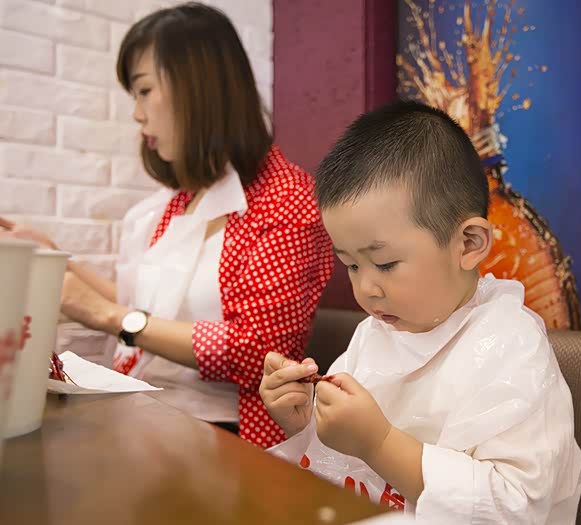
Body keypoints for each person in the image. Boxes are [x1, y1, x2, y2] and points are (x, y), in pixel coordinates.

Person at [0, 2, 333, 448]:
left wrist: (108, 316)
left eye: (143, 91)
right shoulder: (181, 201)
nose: (137, 115)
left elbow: (259, 350)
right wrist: (57, 260)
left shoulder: (287, 198)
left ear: (198, 86)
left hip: (230, 435)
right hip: (147, 411)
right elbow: (142, 310)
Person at [259, 100, 581, 522]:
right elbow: (344, 470)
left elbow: (513, 506)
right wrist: (304, 422)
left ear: (468, 244)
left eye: (385, 264)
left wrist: (379, 443)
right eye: (352, 266)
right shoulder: (375, 334)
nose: (365, 289)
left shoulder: (511, 347)